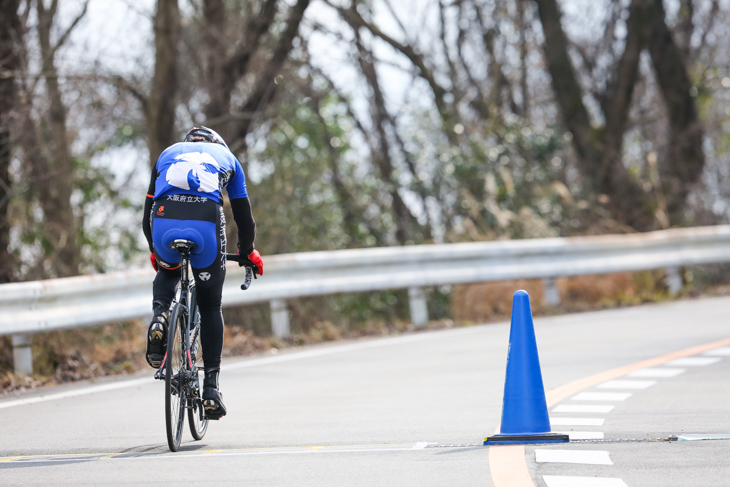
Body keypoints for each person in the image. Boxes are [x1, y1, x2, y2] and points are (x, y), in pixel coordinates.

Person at [142, 126, 263, 419]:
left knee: (168, 269)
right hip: (205, 221)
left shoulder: (167, 153)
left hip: (162, 219)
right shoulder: (229, 158)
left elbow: (146, 215)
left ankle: (160, 313)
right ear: (215, 142)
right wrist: (247, 252)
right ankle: (210, 387)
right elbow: (244, 220)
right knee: (210, 305)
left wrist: (155, 251)